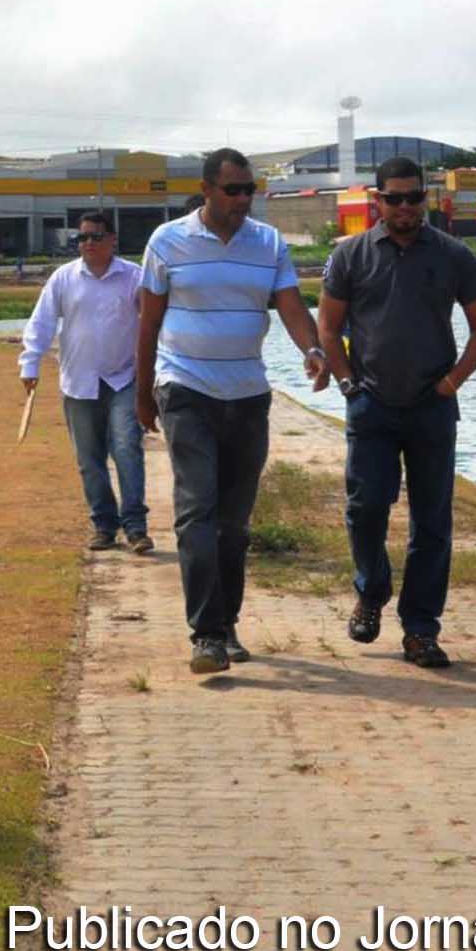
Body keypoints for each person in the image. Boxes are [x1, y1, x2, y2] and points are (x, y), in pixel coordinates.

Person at [135, 148, 329, 676]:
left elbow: (290, 306)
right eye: (234, 190)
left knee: (234, 524)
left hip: (247, 393)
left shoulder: (267, 243)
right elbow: (148, 322)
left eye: (250, 190)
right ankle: (206, 635)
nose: (244, 199)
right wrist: (142, 391)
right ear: (207, 190)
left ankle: (226, 623)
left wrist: (312, 350)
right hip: (185, 388)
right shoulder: (167, 241)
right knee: (196, 511)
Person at [317, 155, 476, 670]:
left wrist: (452, 381)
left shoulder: (454, 255)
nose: (404, 207)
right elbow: (328, 326)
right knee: (366, 507)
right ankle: (371, 592)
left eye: (413, 197)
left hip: (432, 409)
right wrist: (349, 383)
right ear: (378, 201)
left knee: (432, 523)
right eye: (393, 198)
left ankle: (420, 630)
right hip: (370, 405)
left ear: (427, 198)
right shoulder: (350, 255)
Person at [19, 212, 149, 552]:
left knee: (126, 450)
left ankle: (136, 528)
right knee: (89, 459)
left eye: (95, 236)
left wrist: (154, 373)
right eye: (82, 238)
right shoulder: (64, 278)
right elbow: (42, 323)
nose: (87, 243)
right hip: (79, 382)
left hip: (123, 379)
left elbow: (153, 326)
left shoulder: (134, 277)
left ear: (113, 240)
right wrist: (30, 363)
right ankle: (103, 526)